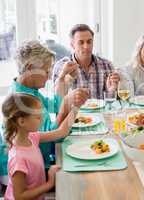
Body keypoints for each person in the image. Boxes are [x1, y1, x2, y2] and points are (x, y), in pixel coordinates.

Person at [0, 40, 89, 177]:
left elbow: (54, 104)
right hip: (25, 174)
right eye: (46, 71)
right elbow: (55, 136)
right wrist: (69, 105)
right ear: (30, 68)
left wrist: (61, 79)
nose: (48, 77)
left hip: (39, 158)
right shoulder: (21, 100)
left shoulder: (27, 89)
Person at [3, 93, 79, 200]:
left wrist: (75, 109)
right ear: (22, 121)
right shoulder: (18, 159)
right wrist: (49, 183)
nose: (42, 119)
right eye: (38, 117)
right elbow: (20, 196)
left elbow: (61, 132)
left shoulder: (31, 137)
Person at [52, 24, 120, 99]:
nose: (86, 46)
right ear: (72, 45)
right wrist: (63, 77)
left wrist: (111, 91)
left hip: (101, 111)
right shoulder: (61, 66)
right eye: (81, 42)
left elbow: (112, 105)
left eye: (89, 42)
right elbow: (57, 102)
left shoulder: (107, 65)